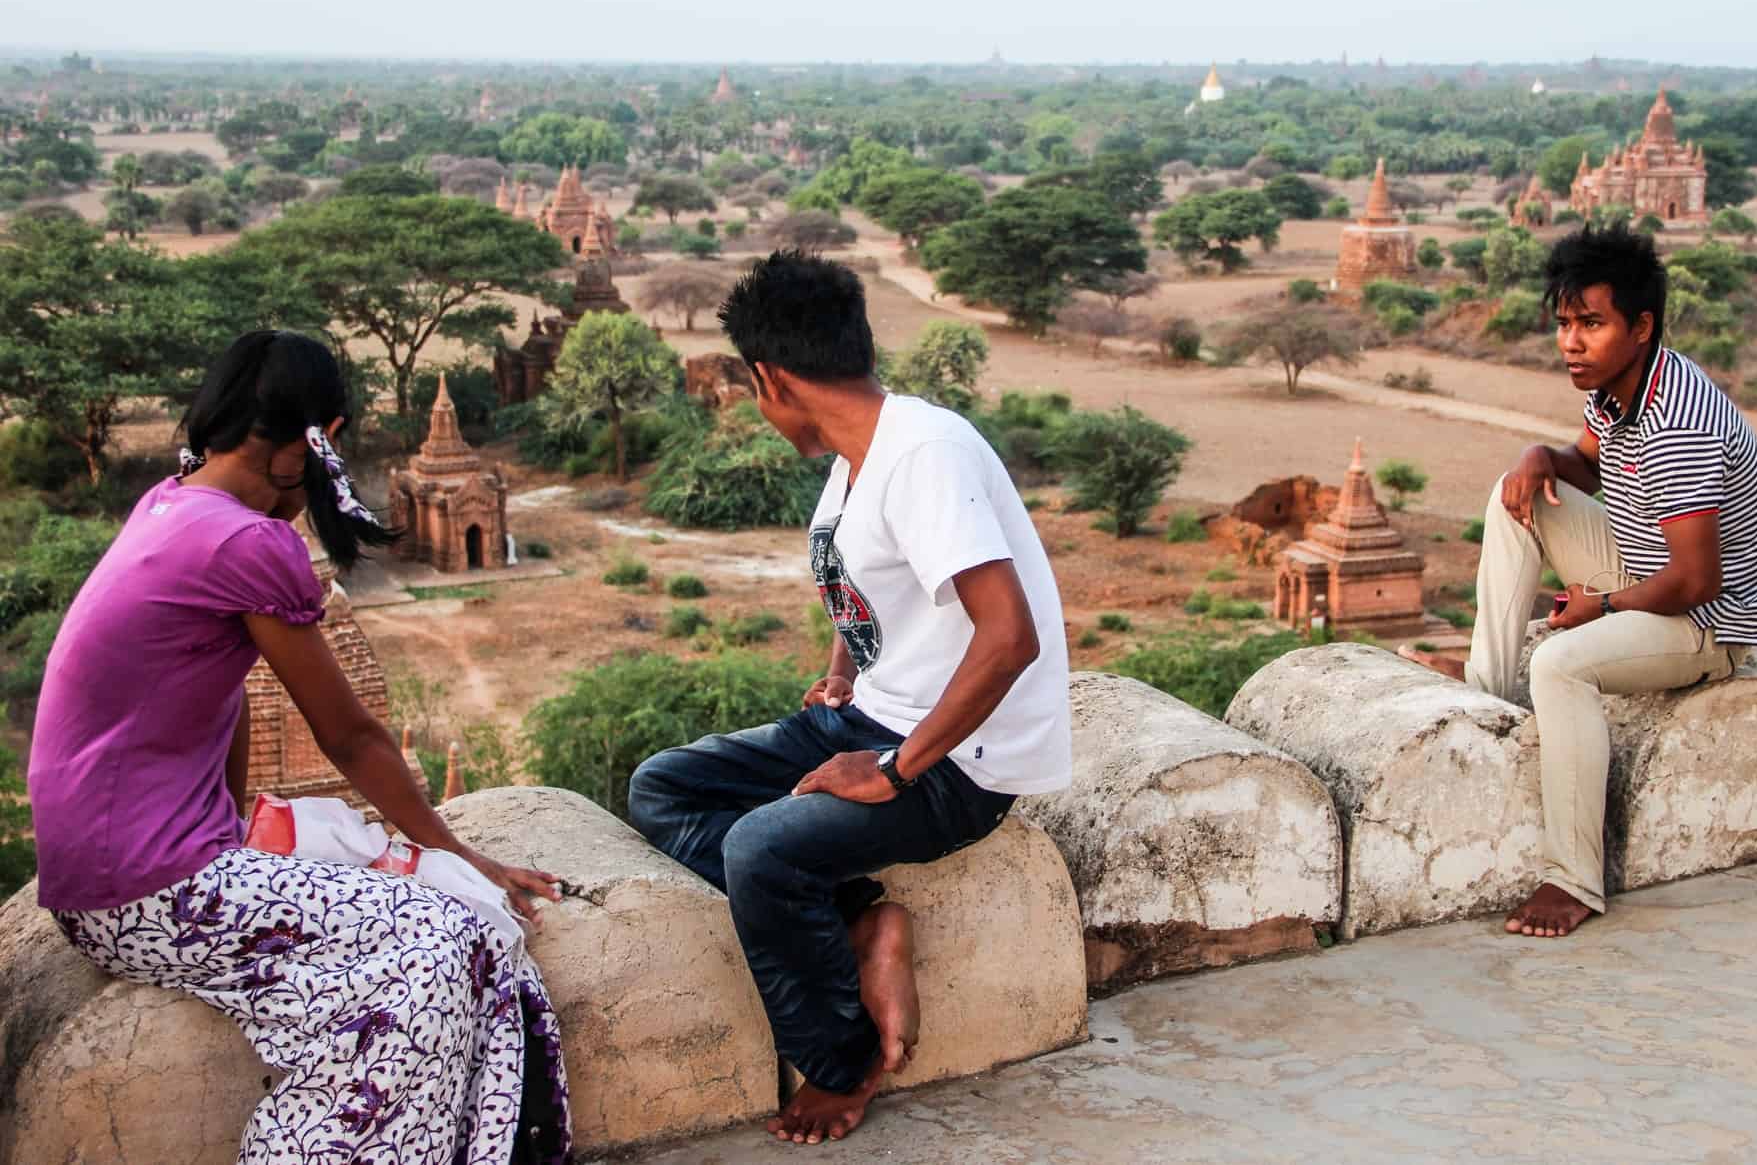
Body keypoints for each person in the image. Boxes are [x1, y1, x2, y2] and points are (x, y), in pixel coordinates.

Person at [27, 331, 571, 1164]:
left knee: (451, 932)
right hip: (148, 893)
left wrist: (232, 830)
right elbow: (349, 736)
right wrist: (465, 854)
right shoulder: (252, 543)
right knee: (457, 932)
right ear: (315, 443)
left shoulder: (172, 502)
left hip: (109, 880)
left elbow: (226, 696)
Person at [627, 251, 1071, 1144]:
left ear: (771, 377)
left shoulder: (924, 455)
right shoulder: (860, 450)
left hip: (961, 761)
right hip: (870, 712)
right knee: (661, 787)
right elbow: (865, 573)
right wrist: (843, 668)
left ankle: (843, 1061)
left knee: (760, 849)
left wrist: (895, 771)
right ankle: (864, 919)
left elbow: (1009, 637)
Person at [1464, 225, 1757, 939]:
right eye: (1564, 324)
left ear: (1640, 327)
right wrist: (1534, 455)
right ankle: (1483, 697)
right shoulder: (1617, 389)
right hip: (1650, 567)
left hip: (1710, 620)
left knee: (1558, 662)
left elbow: (1699, 580)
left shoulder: (1679, 418)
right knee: (1512, 494)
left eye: (1591, 323)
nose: (1571, 343)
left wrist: (1598, 606)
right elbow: (1583, 464)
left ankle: (1572, 878)